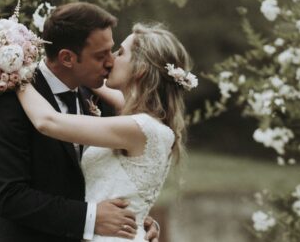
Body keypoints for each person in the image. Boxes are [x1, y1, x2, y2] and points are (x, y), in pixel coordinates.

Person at [0, 3, 162, 242]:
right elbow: (10, 196)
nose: (111, 62)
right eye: (101, 55)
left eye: (112, 51)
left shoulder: (101, 97)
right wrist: (91, 217)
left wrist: (136, 219)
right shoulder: (11, 100)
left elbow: (111, 176)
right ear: (67, 57)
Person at [16, 22, 193, 241]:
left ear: (140, 70)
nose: (110, 60)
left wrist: (13, 71)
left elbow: (47, 121)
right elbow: (98, 86)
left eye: (120, 53)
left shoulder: (140, 128)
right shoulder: (146, 119)